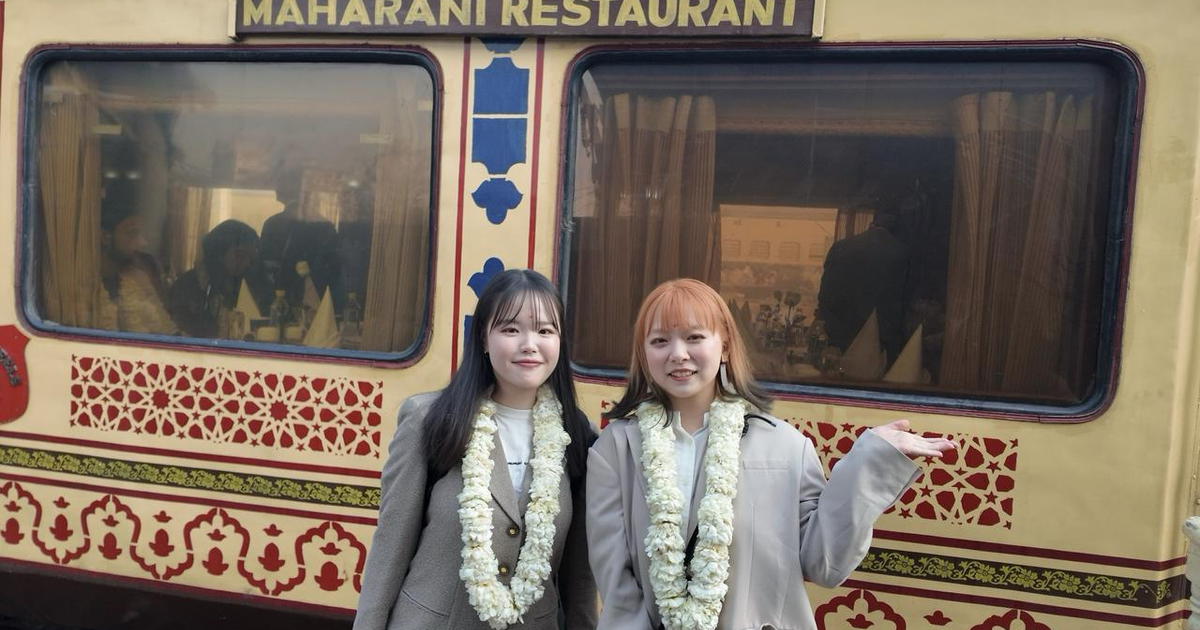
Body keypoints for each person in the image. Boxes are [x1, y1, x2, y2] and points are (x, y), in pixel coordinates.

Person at [586, 278, 955, 630]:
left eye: (694, 337)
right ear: (643, 354)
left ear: (725, 345)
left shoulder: (785, 447)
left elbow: (824, 563)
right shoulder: (615, 450)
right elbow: (616, 583)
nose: (678, 354)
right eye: (660, 341)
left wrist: (868, 464)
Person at [354, 269, 598, 630]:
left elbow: (579, 576)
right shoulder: (431, 419)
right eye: (511, 330)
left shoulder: (576, 434)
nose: (529, 344)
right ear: (484, 338)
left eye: (545, 331)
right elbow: (391, 547)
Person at [817, 208, 911, 366]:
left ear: (871, 224)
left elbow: (825, 295)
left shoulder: (842, 247)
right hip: (879, 341)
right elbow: (903, 302)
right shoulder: (902, 253)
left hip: (839, 335)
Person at [97, 180, 176, 335]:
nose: (141, 242)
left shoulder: (138, 278)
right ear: (106, 237)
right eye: (132, 233)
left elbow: (166, 330)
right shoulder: (83, 286)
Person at [166, 220, 270, 338]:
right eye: (240, 255)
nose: (246, 263)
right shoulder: (188, 287)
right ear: (219, 252)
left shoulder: (232, 283)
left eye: (250, 258)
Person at [259, 167, 343, 312]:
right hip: (316, 304)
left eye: (281, 182)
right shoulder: (325, 225)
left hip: (283, 303)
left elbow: (266, 268)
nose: (276, 188)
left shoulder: (273, 224)